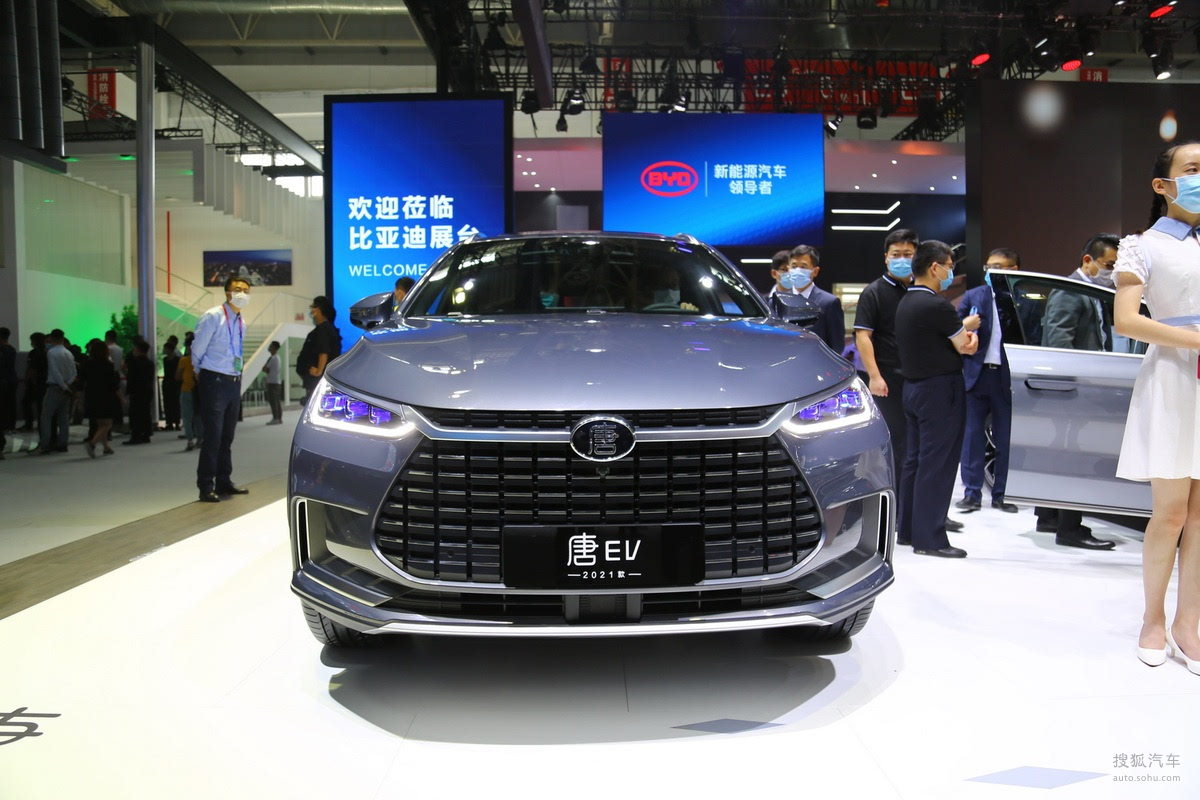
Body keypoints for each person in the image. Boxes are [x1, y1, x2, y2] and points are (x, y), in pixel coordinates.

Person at [1112, 139, 1200, 673]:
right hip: (1172, 377)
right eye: (1193, 168)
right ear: (1163, 185)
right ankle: (1153, 618)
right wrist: (1195, 341)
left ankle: (1189, 624)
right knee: (1170, 513)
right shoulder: (1142, 245)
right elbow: (1126, 320)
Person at [855, 230, 966, 535]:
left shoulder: (918, 292)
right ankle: (904, 515)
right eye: (897, 254)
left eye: (908, 254)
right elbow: (863, 336)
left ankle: (921, 515)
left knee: (922, 453)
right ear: (886, 257)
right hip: (889, 380)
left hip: (919, 378)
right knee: (904, 451)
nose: (902, 259)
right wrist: (874, 376)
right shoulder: (875, 292)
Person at [1035, 233, 1122, 549]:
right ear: (1088, 260)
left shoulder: (1091, 292)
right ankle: (1069, 529)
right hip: (1072, 391)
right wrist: (1081, 383)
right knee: (1073, 456)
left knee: (1062, 452)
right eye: (1109, 265)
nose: (1112, 272)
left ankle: (1049, 518)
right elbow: (1060, 343)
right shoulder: (1071, 291)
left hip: (1076, 389)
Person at [894, 240, 980, 557]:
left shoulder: (906, 301)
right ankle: (930, 539)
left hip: (913, 389)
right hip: (940, 390)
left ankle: (908, 530)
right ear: (935, 267)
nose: (950, 273)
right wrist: (971, 335)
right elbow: (965, 346)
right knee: (938, 464)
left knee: (915, 461)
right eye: (949, 266)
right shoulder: (938, 306)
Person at [954, 248, 1020, 515]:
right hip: (976, 375)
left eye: (999, 267)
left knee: (1006, 438)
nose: (992, 271)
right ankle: (971, 493)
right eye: (989, 266)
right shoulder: (974, 295)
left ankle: (1002, 494)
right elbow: (953, 329)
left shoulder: (1022, 299)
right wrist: (966, 326)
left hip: (1008, 377)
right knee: (972, 437)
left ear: (1014, 269)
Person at [192, 277, 252, 502]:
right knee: (213, 436)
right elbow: (197, 347)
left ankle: (224, 481)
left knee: (227, 436)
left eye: (246, 290)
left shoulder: (241, 322)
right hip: (214, 379)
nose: (242, 293)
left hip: (233, 380)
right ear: (227, 292)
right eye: (237, 289)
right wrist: (199, 370)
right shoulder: (214, 316)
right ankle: (206, 485)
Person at [786, 245, 846, 356]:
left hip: (818, 362)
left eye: (803, 267)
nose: (797, 270)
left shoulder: (829, 303)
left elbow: (837, 345)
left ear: (815, 271)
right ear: (788, 269)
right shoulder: (777, 301)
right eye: (794, 266)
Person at [35, 330, 76, 455]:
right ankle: (63, 444)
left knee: (46, 416)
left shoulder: (51, 353)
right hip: (67, 388)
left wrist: (63, 386)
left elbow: (55, 371)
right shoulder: (68, 353)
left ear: (52, 338)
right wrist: (67, 385)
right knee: (63, 417)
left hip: (55, 387)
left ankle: (45, 445)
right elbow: (74, 372)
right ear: (63, 338)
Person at [297, 296, 342, 403]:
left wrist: (318, 371)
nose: (312, 312)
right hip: (314, 381)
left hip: (317, 381)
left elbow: (323, 352)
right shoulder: (324, 329)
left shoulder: (324, 329)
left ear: (320, 310)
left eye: (314, 308)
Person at [81, 340, 119, 458]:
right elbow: (113, 384)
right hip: (105, 396)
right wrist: (121, 397)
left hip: (91, 395)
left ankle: (106, 448)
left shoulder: (86, 364)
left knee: (100, 424)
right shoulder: (108, 365)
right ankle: (92, 443)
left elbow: (82, 380)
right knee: (107, 424)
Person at [124, 339, 155, 445]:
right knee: (146, 412)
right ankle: (146, 434)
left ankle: (136, 435)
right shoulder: (150, 363)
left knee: (135, 414)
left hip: (136, 391)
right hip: (147, 390)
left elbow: (131, 377)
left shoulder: (134, 362)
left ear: (138, 349)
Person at [177, 337, 203, 451]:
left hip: (186, 390)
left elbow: (177, 375)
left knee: (187, 417)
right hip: (198, 390)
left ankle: (190, 440)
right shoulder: (202, 360)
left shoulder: (184, 360)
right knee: (198, 416)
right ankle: (200, 439)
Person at [21, 332, 46, 433]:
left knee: (26, 403)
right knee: (41, 407)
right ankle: (42, 427)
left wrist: (27, 380)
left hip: (35, 384)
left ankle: (29, 424)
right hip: (44, 383)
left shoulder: (34, 353)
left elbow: (31, 369)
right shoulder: (47, 352)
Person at [104, 329, 126, 433]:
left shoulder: (108, 348)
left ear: (107, 337)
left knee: (110, 399)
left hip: (109, 374)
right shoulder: (119, 349)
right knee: (118, 399)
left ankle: (111, 423)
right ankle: (119, 422)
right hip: (117, 373)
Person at [161, 335, 181, 431]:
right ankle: (169, 422)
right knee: (167, 402)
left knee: (175, 402)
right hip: (167, 382)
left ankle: (176, 422)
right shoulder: (165, 359)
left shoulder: (177, 359)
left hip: (174, 382)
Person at [263, 340, 283, 424]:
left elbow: (265, 369)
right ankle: (278, 418)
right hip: (276, 382)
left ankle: (276, 418)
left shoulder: (273, 358)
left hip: (272, 382)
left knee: (273, 401)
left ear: (274, 347)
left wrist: (266, 369)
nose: (269, 347)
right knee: (276, 401)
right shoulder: (277, 358)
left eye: (271, 346)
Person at [0, 327, 16, 435]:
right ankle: (10, 426)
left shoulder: (2, 350)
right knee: (11, 404)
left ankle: (4, 426)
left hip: (3, 380)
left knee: (3, 405)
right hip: (11, 380)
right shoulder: (12, 349)